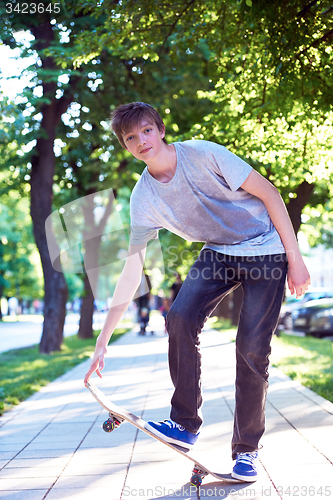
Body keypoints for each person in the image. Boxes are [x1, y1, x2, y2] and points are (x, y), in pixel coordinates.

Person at [84, 102, 310, 482]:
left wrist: (296, 258)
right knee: (180, 317)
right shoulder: (144, 198)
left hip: (267, 248)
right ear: (125, 146)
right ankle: (184, 425)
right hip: (219, 252)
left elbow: (270, 194)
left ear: (160, 130)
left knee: (252, 348)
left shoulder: (204, 154)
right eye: (130, 138)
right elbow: (132, 269)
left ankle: (247, 451)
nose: (141, 141)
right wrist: (103, 341)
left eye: (146, 131)